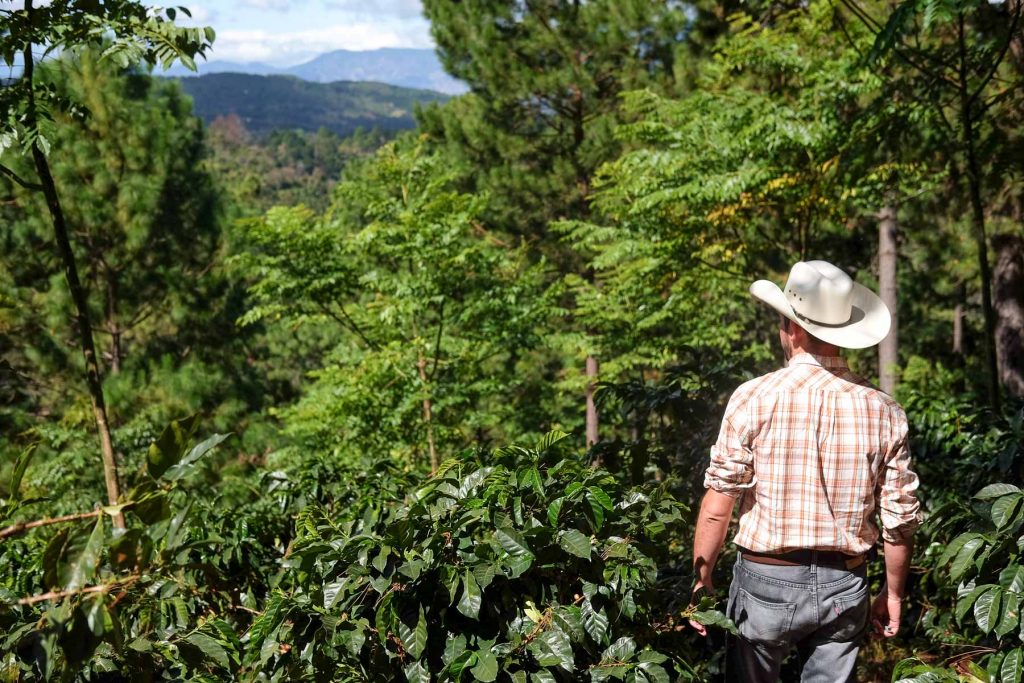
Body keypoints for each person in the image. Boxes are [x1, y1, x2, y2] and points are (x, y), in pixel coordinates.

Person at [688, 260, 922, 682]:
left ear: (792, 328)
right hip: (845, 581)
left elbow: (719, 504)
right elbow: (900, 519)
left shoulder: (753, 397)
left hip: (765, 579)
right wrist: (893, 592)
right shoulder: (884, 409)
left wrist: (701, 580)